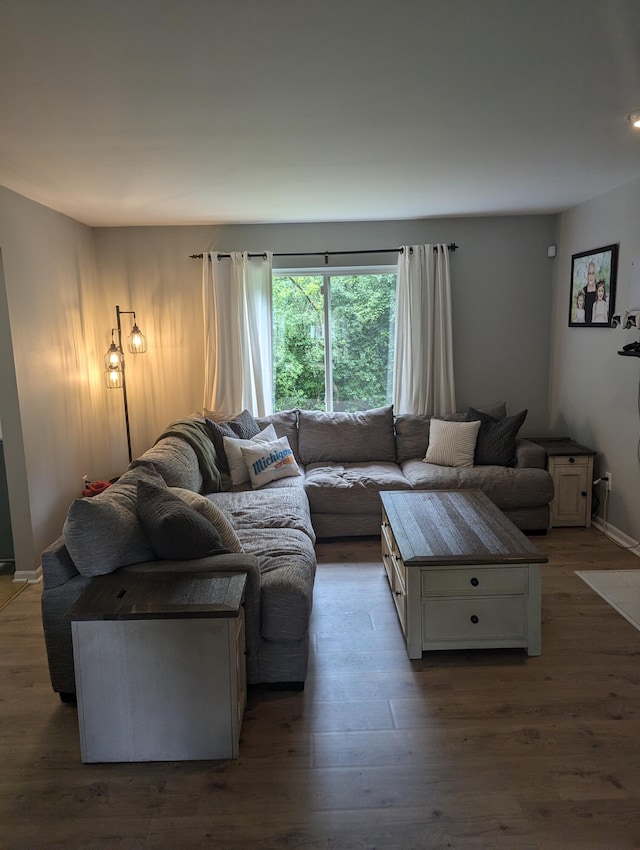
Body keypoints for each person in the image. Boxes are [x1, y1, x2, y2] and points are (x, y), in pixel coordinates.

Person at [583, 260, 597, 324]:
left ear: (595, 275)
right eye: (589, 273)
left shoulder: (599, 291)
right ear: (587, 275)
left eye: (593, 273)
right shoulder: (583, 291)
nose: (591, 276)